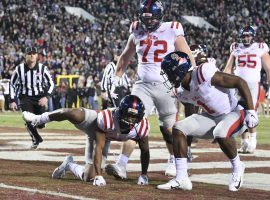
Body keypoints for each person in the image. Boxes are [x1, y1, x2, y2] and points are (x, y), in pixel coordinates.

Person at [106, 0, 196, 180]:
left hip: (167, 85)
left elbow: (188, 58)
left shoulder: (173, 28)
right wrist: (116, 78)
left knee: (169, 128)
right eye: (145, 18)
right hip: (142, 85)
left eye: (152, 18)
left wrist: (190, 83)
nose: (148, 22)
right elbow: (125, 57)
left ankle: (174, 160)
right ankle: (122, 165)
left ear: (160, 15)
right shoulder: (136, 30)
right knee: (132, 121)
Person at [156, 50, 258, 191]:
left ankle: (237, 166)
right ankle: (182, 178)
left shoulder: (203, 73)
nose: (167, 76)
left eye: (168, 72)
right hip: (212, 116)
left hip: (234, 112)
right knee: (179, 128)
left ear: (178, 71)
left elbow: (239, 82)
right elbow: (190, 111)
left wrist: (251, 110)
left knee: (221, 132)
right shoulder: (179, 91)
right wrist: (189, 142)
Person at [22, 95, 150, 186]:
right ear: (120, 112)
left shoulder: (142, 127)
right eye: (128, 115)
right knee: (72, 113)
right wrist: (99, 175)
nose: (130, 120)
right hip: (96, 126)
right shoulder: (107, 118)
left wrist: (144, 175)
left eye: (134, 117)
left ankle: (69, 164)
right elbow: (98, 147)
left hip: (106, 135)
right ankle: (38, 119)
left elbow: (145, 151)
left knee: (88, 176)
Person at [224, 25, 270, 154]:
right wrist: (225, 83)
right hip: (237, 83)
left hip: (252, 84)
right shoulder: (235, 47)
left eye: (248, 35)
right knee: (238, 112)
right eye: (244, 36)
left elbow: (268, 69)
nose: (246, 38)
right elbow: (228, 68)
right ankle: (244, 141)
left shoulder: (260, 47)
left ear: (253, 36)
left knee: (251, 112)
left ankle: (253, 140)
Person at [9, 46, 54, 149]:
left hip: (39, 98)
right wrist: (12, 100)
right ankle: (37, 139)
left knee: (40, 124)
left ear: (37, 55)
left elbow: (51, 83)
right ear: (26, 56)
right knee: (27, 117)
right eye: (29, 53)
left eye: (34, 53)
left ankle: (39, 127)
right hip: (25, 97)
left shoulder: (42, 68)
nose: (32, 55)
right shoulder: (19, 69)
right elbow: (12, 84)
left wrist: (46, 97)